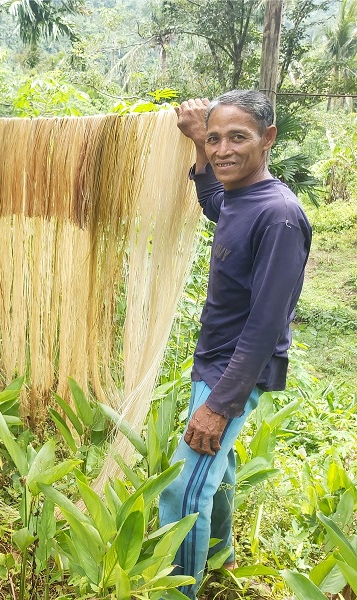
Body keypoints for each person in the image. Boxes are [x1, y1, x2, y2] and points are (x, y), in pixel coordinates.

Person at [158, 90, 312, 599]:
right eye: (216, 137)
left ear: (268, 139)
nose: (223, 149)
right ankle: (220, 554)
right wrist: (198, 147)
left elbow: (267, 327)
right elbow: (214, 205)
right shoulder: (242, 196)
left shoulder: (279, 216)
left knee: (184, 490)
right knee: (214, 471)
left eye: (237, 138)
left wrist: (219, 406)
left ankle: (176, 589)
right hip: (216, 361)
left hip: (232, 371)